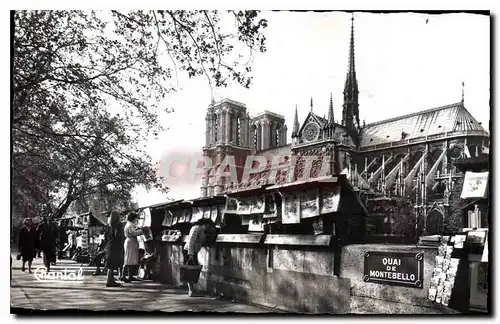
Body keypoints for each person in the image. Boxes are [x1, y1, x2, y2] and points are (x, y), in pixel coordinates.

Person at [183, 218, 214, 297]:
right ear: (206, 224)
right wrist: (190, 254)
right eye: (209, 226)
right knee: (191, 270)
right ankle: (191, 291)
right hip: (189, 251)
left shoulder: (201, 230)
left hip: (193, 252)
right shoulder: (196, 228)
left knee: (193, 270)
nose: (209, 228)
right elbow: (191, 241)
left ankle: (192, 290)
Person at [104, 211, 125, 287]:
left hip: (109, 245)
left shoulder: (108, 226)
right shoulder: (119, 225)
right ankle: (109, 282)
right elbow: (118, 236)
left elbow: (105, 237)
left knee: (110, 265)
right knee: (112, 265)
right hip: (115, 246)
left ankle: (111, 280)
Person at [121, 212, 143, 283]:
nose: (136, 219)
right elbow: (134, 233)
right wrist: (142, 231)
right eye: (136, 218)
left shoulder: (130, 224)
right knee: (128, 259)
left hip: (131, 242)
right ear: (133, 218)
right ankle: (123, 276)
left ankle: (130, 276)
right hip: (131, 242)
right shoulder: (130, 225)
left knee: (131, 259)